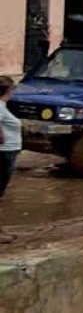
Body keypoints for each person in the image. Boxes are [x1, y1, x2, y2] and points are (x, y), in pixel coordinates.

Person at [0, 76, 17, 243]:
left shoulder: (3, 106)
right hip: (5, 152)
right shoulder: (0, 106)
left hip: (8, 151)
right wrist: (2, 138)